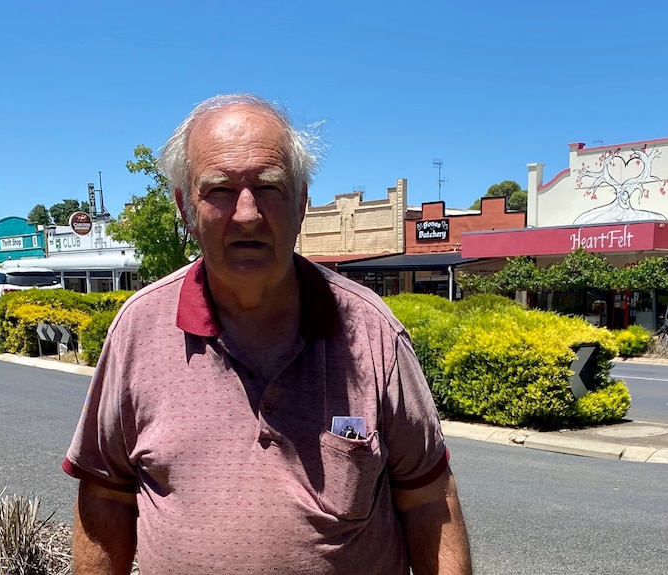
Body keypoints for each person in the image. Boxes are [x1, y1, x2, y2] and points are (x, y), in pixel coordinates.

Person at [63, 93, 473, 575]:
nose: (247, 214)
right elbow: (106, 495)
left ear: (301, 203)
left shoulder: (371, 332)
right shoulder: (138, 329)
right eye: (218, 189)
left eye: (270, 187)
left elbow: (429, 500)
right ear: (184, 207)